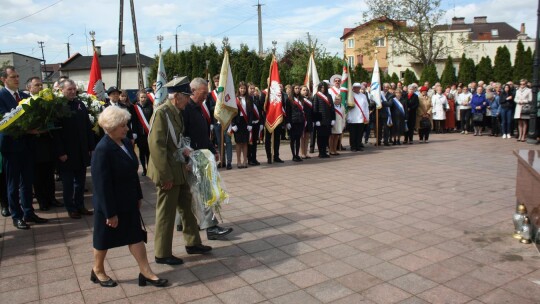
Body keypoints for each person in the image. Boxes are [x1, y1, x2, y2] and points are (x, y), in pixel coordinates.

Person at [91, 106, 167, 288]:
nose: (126, 129)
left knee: (135, 236)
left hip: (128, 201)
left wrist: (138, 195)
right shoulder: (103, 150)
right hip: (110, 204)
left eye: (126, 125)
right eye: (122, 126)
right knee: (103, 240)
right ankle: (98, 270)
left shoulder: (124, 143)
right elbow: (101, 185)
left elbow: (133, 172)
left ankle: (146, 272)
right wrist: (110, 213)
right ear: (110, 127)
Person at [147, 77, 213, 266]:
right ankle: (162, 253)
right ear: (177, 96)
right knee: (166, 213)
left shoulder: (175, 111)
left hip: (179, 168)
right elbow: (156, 146)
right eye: (186, 96)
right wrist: (165, 176)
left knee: (187, 206)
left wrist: (186, 154)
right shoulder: (162, 113)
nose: (188, 99)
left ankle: (193, 242)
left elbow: (177, 140)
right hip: (167, 171)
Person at [181, 77, 233, 239]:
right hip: (193, 160)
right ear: (193, 91)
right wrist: (187, 160)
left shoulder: (198, 108)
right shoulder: (186, 110)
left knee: (196, 194)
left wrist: (213, 149)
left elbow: (202, 134)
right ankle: (211, 228)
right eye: (203, 93)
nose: (206, 96)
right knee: (203, 193)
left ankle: (183, 223)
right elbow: (183, 137)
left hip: (203, 156)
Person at [0, 66, 48, 229]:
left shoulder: (25, 96)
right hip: (11, 146)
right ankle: (16, 215)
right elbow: (4, 122)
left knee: (27, 182)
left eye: (18, 76)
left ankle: (29, 212)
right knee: (13, 184)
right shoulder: (1, 96)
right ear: (3, 79)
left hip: (27, 145)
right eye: (13, 77)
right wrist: (27, 129)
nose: (17, 79)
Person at [55, 79, 96, 219]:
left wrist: (91, 146)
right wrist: (60, 152)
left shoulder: (80, 104)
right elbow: (56, 133)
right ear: (62, 90)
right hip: (66, 153)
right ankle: (71, 208)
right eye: (69, 89)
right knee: (68, 184)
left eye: (74, 89)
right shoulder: (58, 107)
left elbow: (87, 127)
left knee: (80, 182)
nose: (73, 92)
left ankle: (80, 205)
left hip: (81, 150)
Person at [27, 77, 63, 211]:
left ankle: (52, 198)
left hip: (48, 142)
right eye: (37, 85)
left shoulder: (48, 101)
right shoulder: (26, 102)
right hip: (35, 144)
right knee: (38, 175)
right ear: (29, 88)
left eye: (41, 85)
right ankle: (42, 200)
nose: (40, 88)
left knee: (49, 173)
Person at [209, 75, 233, 169]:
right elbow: (210, 107)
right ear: (214, 83)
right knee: (219, 142)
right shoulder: (211, 94)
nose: (217, 83)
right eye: (216, 81)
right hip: (216, 122)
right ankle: (222, 161)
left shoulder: (226, 93)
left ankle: (229, 162)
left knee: (228, 141)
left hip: (226, 121)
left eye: (219, 81)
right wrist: (217, 106)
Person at [231, 82, 252, 168]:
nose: (242, 90)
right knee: (238, 143)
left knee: (245, 143)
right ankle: (238, 161)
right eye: (241, 88)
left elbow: (251, 112)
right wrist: (233, 124)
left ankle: (245, 161)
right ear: (238, 89)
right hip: (237, 122)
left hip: (246, 122)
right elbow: (232, 112)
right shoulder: (235, 99)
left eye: (244, 88)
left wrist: (250, 123)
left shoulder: (249, 98)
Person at [133, 90, 153, 176]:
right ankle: (144, 169)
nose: (143, 99)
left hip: (148, 133)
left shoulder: (151, 107)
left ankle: (149, 168)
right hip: (140, 134)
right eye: (141, 97)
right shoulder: (135, 108)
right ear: (138, 98)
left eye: (145, 97)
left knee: (148, 152)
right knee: (142, 152)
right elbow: (134, 121)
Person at [313, 82, 335, 158]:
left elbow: (332, 108)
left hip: (328, 120)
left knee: (326, 136)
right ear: (319, 88)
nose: (323, 89)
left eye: (324, 87)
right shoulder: (316, 96)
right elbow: (315, 109)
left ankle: (324, 152)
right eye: (321, 87)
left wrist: (333, 119)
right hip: (320, 120)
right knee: (320, 137)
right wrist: (317, 120)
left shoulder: (329, 96)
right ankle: (321, 152)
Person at [285, 85, 306, 162]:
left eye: (298, 88)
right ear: (293, 89)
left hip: (300, 121)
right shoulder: (289, 99)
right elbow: (287, 112)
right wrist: (287, 122)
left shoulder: (302, 99)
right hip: (292, 122)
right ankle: (293, 155)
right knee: (292, 139)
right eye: (295, 88)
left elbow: (304, 110)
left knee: (298, 139)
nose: (297, 90)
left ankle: (297, 154)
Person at [347, 83, 369, 152]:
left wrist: (367, 117)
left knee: (360, 133)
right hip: (352, 117)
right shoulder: (350, 95)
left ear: (360, 88)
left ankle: (358, 145)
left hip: (361, 117)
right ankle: (353, 146)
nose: (357, 88)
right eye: (355, 87)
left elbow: (366, 107)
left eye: (358, 87)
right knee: (353, 134)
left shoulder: (363, 96)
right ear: (353, 88)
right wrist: (348, 117)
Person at [247, 83, 262, 166]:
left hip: (256, 123)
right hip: (249, 124)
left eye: (253, 89)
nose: (252, 90)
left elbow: (260, 111)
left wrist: (261, 123)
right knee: (250, 142)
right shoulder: (246, 99)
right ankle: (249, 159)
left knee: (255, 142)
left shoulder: (256, 98)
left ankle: (254, 158)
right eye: (251, 88)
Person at [300, 85, 313, 158]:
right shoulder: (299, 99)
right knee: (302, 137)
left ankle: (306, 152)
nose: (305, 91)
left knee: (307, 137)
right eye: (303, 90)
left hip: (309, 120)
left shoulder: (310, 99)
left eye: (306, 90)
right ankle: (302, 153)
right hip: (302, 120)